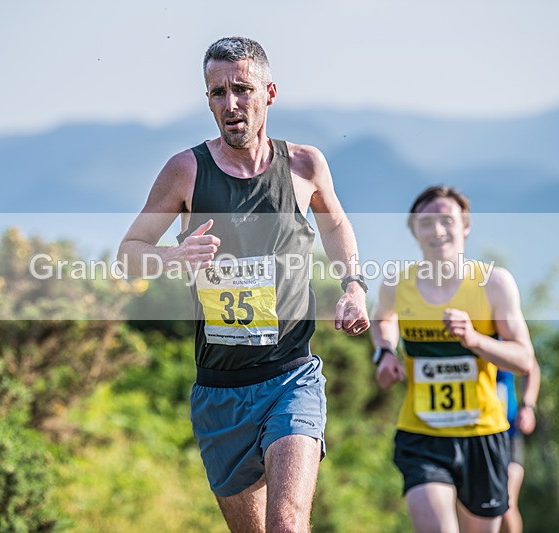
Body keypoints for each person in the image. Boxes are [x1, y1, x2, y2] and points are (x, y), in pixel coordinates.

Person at [117, 36, 369, 532]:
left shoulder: (303, 165)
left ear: (269, 92)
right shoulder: (186, 171)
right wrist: (175, 256)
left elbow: (336, 225)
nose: (230, 105)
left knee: (288, 524)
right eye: (217, 93)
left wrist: (354, 285)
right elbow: (128, 255)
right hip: (220, 392)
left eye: (241, 89)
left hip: (290, 376)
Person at [370, 185, 536, 533]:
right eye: (426, 222)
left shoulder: (493, 284)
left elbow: (523, 359)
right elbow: (382, 319)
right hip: (422, 434)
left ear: (466, 226)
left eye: (447, 220)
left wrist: (474, 339)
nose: (437, 231)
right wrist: (384, 352)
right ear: (414, 230)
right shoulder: (397, 285)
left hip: (483, 433)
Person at [496, 362, 541, 533]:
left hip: (509, 434)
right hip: (472, 435)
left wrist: (528, 407)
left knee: (506, 503)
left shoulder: (505, 335)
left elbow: (531, 366)